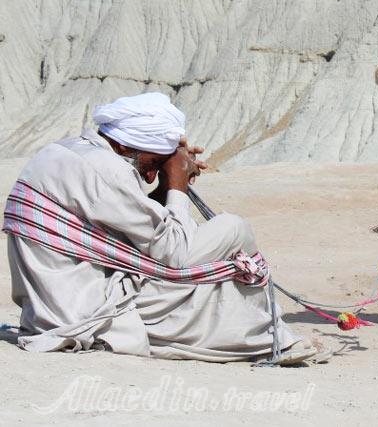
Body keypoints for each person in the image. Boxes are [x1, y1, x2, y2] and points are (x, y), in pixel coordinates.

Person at [4, 92, 314, 364]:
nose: (152, 174)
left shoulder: (69, 151)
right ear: (127, 146)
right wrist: (176, 184)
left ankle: (260, 329)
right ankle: (267, 333)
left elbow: (130, 225)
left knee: (202, 246)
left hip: (52, 305)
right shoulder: (109, 171)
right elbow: (174, 253)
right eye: (153, 163)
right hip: (85, 309)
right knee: (233, 229)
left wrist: (167, 179)